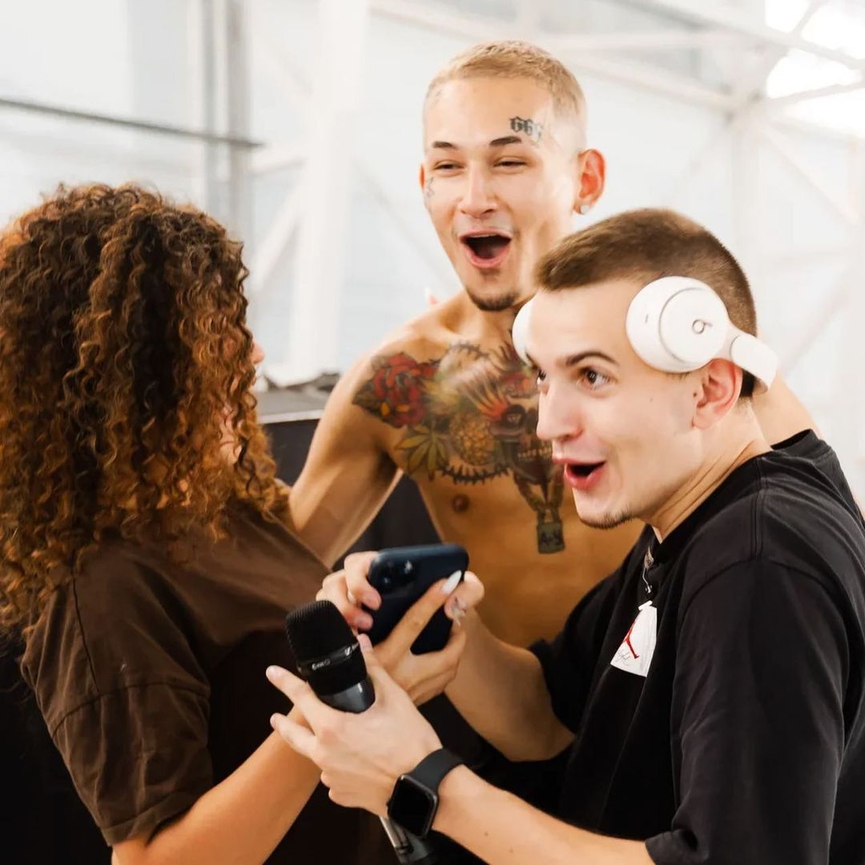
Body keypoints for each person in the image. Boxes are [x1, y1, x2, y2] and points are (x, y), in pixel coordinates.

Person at [269, 208, 865, 864]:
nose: (548, 422)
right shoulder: (689, 522)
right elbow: (545, 716)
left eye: (592, 376)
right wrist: (440, 619)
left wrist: (420, 782)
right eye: (544, 378)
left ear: (709, 391)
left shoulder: (757, 566)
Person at [288, 39, 813, 649]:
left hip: (695, 690)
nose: (475, 198)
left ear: (585, 180)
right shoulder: (399, 382)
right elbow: (273, 568)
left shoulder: (678, 335)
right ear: (424, 182)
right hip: (521, 700)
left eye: (510, 162)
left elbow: (819, 522)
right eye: (449, 167)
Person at [0, 184, 393, 864]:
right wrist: (333, 705)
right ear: (128, 368)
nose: (252, 354)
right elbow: (153, 859)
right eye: (214, 333)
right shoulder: (103, 588)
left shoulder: (227, 506)